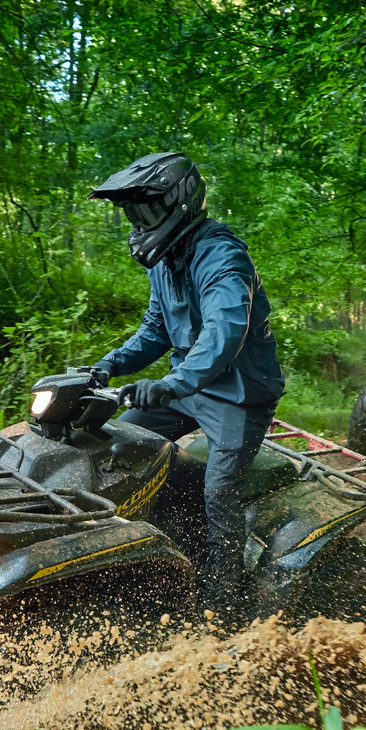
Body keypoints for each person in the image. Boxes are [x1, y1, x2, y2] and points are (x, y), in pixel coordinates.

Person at [85, 152, 285, 618]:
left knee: (219, 492)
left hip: (239, 394)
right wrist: (105, 367)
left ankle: (225, 604)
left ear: (179, 203)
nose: (137, 221)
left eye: (145, 210)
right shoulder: (163, 260)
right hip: (186, 388)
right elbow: (155, 330)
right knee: (119, 447)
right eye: (132, 213)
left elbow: (225, 330)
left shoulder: (222, 255)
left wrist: (173, 382)